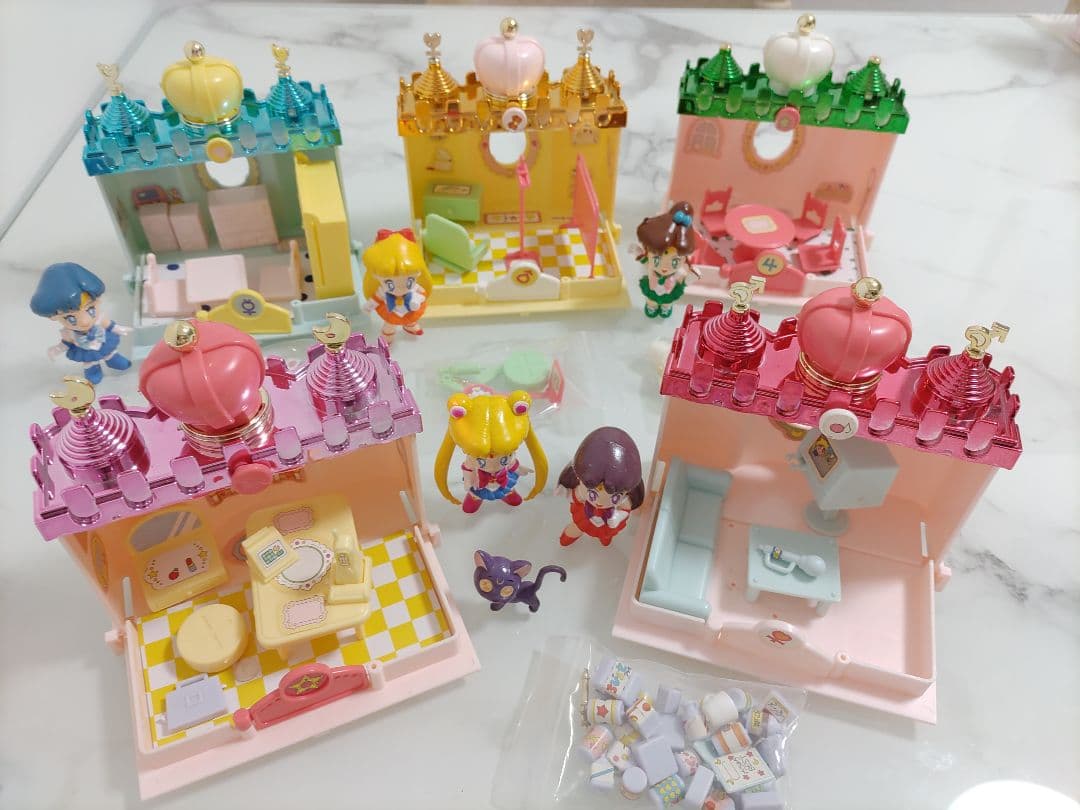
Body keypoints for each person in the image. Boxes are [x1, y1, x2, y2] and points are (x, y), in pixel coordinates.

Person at [30, 262, 132, 384]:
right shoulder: (68, 332)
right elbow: (66, 343)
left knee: (109, 353)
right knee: (90, 362)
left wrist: (118, 329)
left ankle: (114, 361)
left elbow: (110, 325)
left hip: (103, 341)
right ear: (53, 317)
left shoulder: (100, 319)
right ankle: (94, 372)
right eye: (70, 318)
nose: (84, 321)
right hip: (85, 350)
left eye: (90, 309)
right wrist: (57, 349)